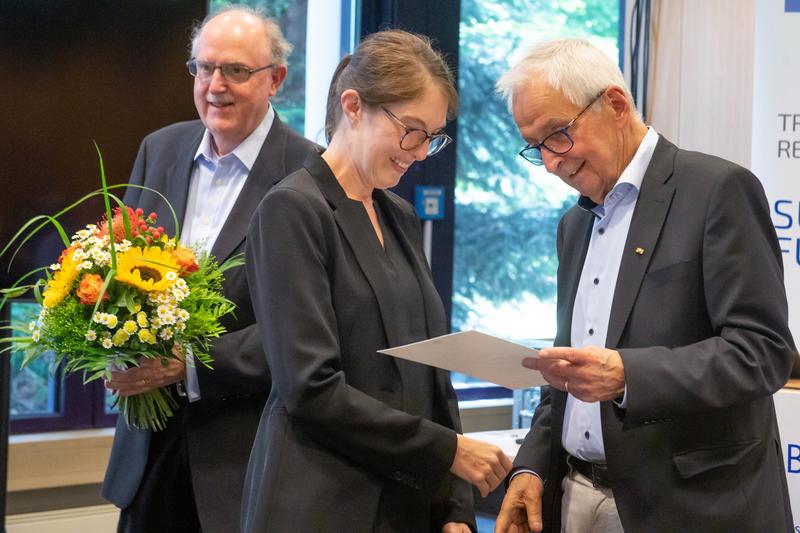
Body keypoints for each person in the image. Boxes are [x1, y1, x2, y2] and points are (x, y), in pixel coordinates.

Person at [493, 38, 796, 533]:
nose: (550, 163)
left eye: (558, 135)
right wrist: (531, 465)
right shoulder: (575, 225)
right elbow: (567, 368)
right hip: (574, 496)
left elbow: (762, 353)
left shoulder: (717, 191)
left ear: (615, 103)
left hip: (691, 508)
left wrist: (629, 375)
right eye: (535, 146)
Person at [241, 29, 512, 533]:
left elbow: (435, 375)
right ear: (353, 105)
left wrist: (452, 509)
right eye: (411, 129)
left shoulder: (398, 215)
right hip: (319, 503)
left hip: (402, 505)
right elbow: (310, 388)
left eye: (432, 136)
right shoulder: (292, 209)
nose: (420, 150)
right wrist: (448, 452)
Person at [101, 6, 317, 532]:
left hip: (240, 465)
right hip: (145, 455)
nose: (216, 85)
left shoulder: (310, 173)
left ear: (275, 80)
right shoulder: (161, 148)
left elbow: (310, 336)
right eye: (204, 68)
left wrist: (189, 363)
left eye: (236, 71)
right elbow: (116, 270)